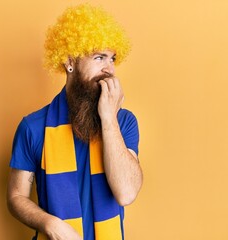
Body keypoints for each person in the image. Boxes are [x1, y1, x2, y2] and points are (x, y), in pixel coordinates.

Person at [7, 4, 143, 240]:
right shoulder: (33, 127)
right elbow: (16, 197)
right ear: (70, 62)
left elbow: (126, 193)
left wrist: (109, 117)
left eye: (112, 59)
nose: (109, 69)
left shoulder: (124, 122)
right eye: (99, 57)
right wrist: (49, 224)